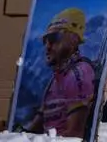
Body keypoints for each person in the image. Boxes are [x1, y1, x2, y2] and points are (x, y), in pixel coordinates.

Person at [23, 8, 96, 139]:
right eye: (45, 41)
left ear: (73, 40)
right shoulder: (56, 79)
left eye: (54, 39)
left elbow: (74, 135)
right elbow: (37, 125)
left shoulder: (78, 73)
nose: (47, 46)